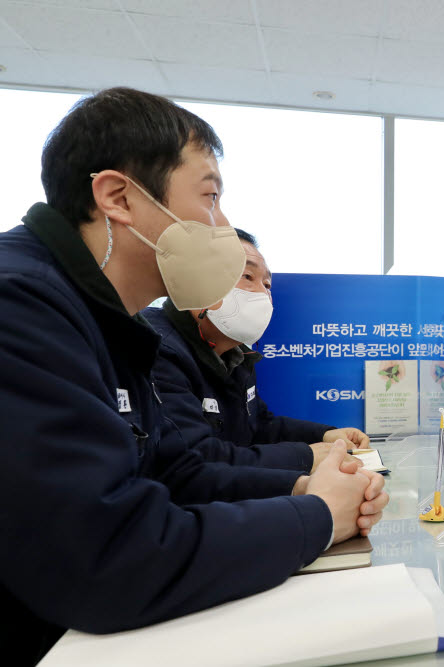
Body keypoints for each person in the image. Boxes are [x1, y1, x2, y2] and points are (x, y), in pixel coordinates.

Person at [0, 87, 388, 664]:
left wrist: (302, 489)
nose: (222, 224)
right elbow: (105, 558)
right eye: (209, 196)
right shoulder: (21, 305)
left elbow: (175, 474)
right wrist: (317, 516)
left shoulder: (104, 319)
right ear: (118, 198)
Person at [143, 228, 370, 498]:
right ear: (196, 281)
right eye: (248, 277)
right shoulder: (157, 347)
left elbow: (259, 426)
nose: (262, 294)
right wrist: (306, 457)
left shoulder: (236, 353)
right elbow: (197, 459)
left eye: (267, 285)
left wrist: (326, 435)